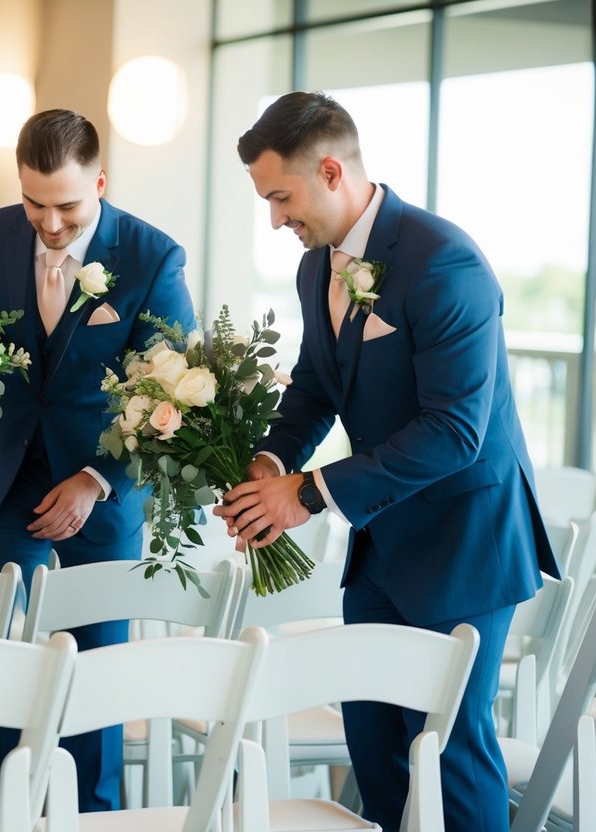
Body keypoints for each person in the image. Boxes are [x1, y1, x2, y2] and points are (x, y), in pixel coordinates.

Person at [217, 91, 559, 832]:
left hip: (464, 543)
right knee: (371, 746)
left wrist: (304, 495)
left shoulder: (444, 262)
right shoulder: (317, 267)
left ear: (331, 171)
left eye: (280, 197)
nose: (274, 218)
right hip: (378, 544)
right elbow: (313, 384)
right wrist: (270, 462)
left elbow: (453, 430)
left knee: (446, 752)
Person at [0, 108, 195, 812]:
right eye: (34, 203)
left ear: (100, 182)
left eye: (65, 205)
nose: (49, 223)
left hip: (102, 487)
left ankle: (91, 813)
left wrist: (97, 481)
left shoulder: (152, 256)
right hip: (7, 477)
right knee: (6, 654)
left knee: (96, 667)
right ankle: (7, 809)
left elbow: (169, 391)